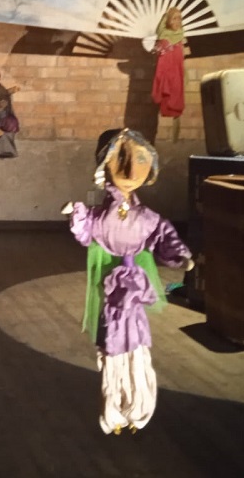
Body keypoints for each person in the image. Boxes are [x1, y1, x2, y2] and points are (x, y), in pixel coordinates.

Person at [63, 130, 193, 434]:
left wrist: (179, 255)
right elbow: (87, 231)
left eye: (140, 160)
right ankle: (115, 410)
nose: (131, 170)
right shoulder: (101, 217)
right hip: (114, 289)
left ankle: (137, 407)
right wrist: (76, 215)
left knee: (136, 344)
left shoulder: (147, 217)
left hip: (134, 287)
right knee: (113, 345)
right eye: (121, 158)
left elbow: (162, 235)